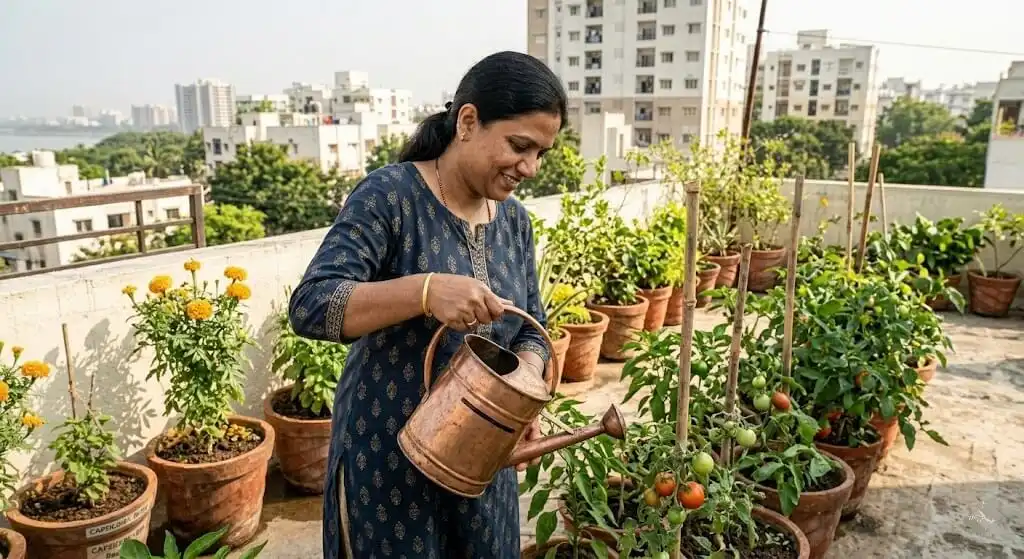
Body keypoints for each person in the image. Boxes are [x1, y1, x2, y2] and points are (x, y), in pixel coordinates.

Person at [288, 50, 568, 559]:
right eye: (519, 146)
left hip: (483, 460)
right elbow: (312, 304)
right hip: (388, 456)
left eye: (541, 153)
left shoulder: (514, 223)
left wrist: (523, 380)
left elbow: (533, 326)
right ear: (467, 121)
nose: (530, 167)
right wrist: (424, 290)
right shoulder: (390, 197)